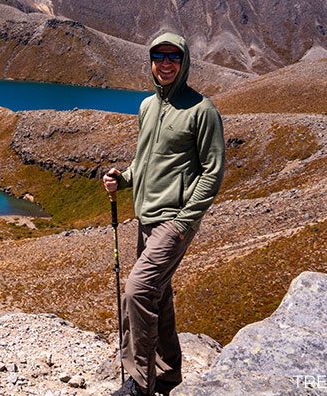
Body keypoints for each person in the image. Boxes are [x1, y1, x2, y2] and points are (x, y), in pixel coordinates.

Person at [103, 33, 225, 396]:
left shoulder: (201, 110)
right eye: (159, 56)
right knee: (159, 294)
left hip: (175, 221)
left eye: (174, 57)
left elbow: (213, 170)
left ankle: (139, 382)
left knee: (137, 291)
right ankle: (169, 374)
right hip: (145, 218)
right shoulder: (147, 106)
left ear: (184, 62)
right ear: (151, 62)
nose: (166, 63)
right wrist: (122, 179)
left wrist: (186, 221)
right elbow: (144, 160)